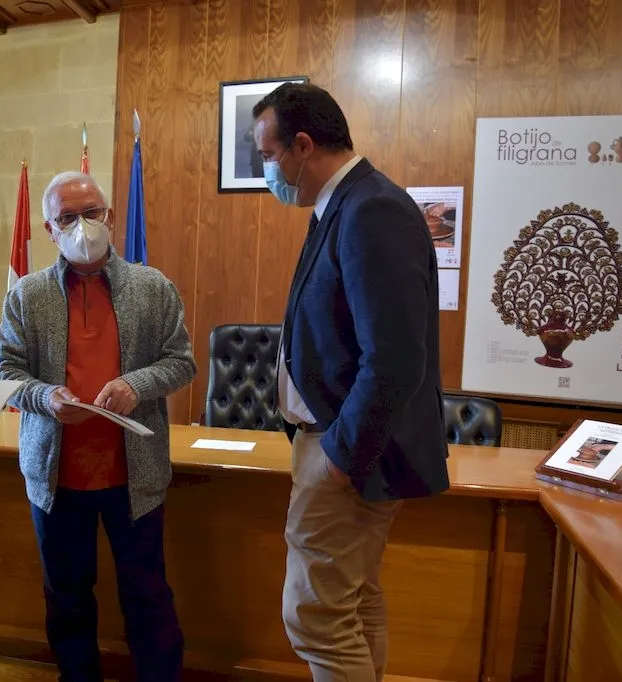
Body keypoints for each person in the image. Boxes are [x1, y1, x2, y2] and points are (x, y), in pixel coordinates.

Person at [251, 83, 450, 681]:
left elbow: (392, 359)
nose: (268, 170)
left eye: (268, 156)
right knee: (352, 605)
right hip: (332, 442)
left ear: (303, 145)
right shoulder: (342, 204)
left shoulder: (371, 208)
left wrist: (339, 458)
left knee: (315, 619)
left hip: (345, 450)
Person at [0, 171, 196, 682]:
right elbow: (5, 374)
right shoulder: (27, 295)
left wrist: (136, 385)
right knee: (67, 599)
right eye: (67, 216)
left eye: (92, 212)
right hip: (56, 478)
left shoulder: (153, 287)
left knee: (147, 594)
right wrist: (44, 395)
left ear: (109, 215)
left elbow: (182, 362)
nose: (83, 225)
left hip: (135, 476)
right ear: (48, 227)